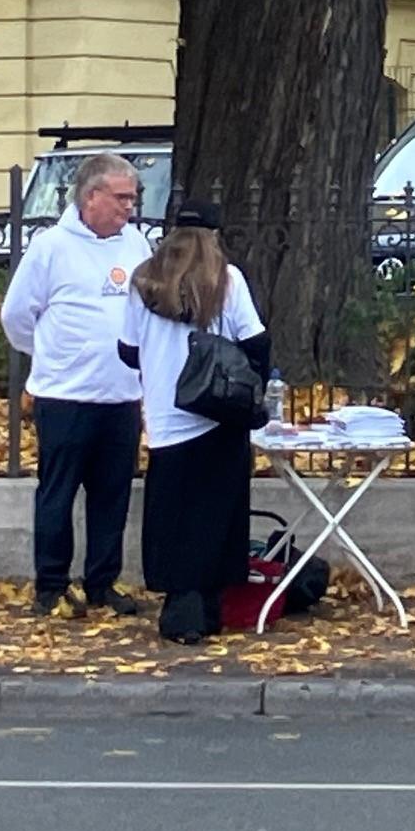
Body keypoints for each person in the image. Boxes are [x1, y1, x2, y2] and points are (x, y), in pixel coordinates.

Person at [0, 153, 151, 618]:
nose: (130, 207)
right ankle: (51, 586)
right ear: (91, 196)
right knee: (57, 493)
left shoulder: (137, 245)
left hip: (121, 395)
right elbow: (17, 315)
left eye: (133, 198)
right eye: (122, 197)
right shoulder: (51, 248)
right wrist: (50, 355)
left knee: (112, 496)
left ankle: (102, 583)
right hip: (65, 396)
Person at [116, 201, 268, 645]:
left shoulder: (144, 281)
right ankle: (208, 607)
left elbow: (127, 350)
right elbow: (255, 340)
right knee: (216, 514)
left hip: (165, 415)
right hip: (217, 413)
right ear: (214, 237)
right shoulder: (226, 279)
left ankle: (179, 606)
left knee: (172, 514)